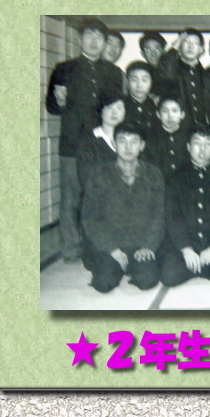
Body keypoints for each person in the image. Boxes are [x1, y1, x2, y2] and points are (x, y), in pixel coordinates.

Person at [46, 18, 123, 262]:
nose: (93, 41)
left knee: (103, 195)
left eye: (99, 37)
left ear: (105, 42)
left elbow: (116, 108)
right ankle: (70, 249)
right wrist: (58, 100)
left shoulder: (113, 72)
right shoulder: (63, 69)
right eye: (89, 35)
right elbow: (51, 107)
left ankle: (101, 246)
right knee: (71, 197)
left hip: (102, 145)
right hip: (72, 144)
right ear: (80, 39)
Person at [80, 122, 165, 293]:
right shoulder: (99, 174)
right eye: (122, 141)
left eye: (134, 142)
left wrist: (148, 246)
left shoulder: (153, 174)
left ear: (142, 146)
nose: (128, 147)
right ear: (114, 144)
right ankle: (113, 265)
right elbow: (90, 218)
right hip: (111, 245)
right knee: (103, 283)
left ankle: (132, 267)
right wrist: (111, 249)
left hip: (140, 245)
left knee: (147, 280)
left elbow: (159, 215)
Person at [160, 125, 210, 286]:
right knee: (169, 276)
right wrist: (186, 249)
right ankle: (200, 267)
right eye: (197, 143)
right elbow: (173, 217)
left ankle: (198, 267)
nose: (202, 149)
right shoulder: (175, 177)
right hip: (185, 245)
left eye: (208, 144)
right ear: (189, 147)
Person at [158, 28, 210, 129]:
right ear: (179, 47)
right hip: (180, 129)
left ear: (201, 50)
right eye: (185, 42)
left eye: (195, 43)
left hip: (204, 130)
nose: (190, 46)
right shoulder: (173, 71)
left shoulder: (207, 75)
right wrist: (174, 48)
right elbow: (165, 73)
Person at [77, 90, 125, 189]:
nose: (114, 112)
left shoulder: (128, 139)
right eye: (109, 107)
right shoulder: (89, 141)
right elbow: (87, 180)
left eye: (119, 108)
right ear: (101, 111)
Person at [142, 94, 190, 184]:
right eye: (165, 111)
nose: (170, 115)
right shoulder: (150, 137)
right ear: (158, 114)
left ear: (182, 114)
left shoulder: (189, 138)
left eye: (174, 111)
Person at [124, 61, 158, 136]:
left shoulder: (156, 106)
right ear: (127, 82)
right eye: (134, 80)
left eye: (144, 80)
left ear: (151, 82)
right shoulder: (120, 106)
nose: (139, 85)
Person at [138, 31, 169, 101]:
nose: (153, 54)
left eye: (157, 49)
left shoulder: (173, 71)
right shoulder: (140, 75)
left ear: (164, 51)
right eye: (148, 50)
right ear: (142, 53)